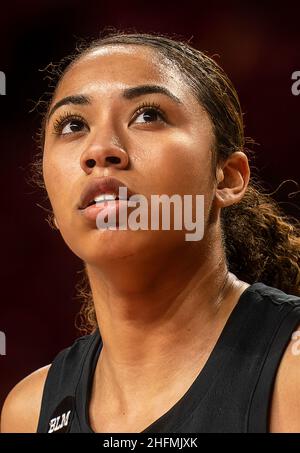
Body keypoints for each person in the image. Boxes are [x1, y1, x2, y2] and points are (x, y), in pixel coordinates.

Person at [1, 31, 300, 433]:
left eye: (148, 115)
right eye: (73, 124)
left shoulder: (291, 376)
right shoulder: (28, 411)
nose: (100, 149)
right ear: (52, 204)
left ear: (227, 178)